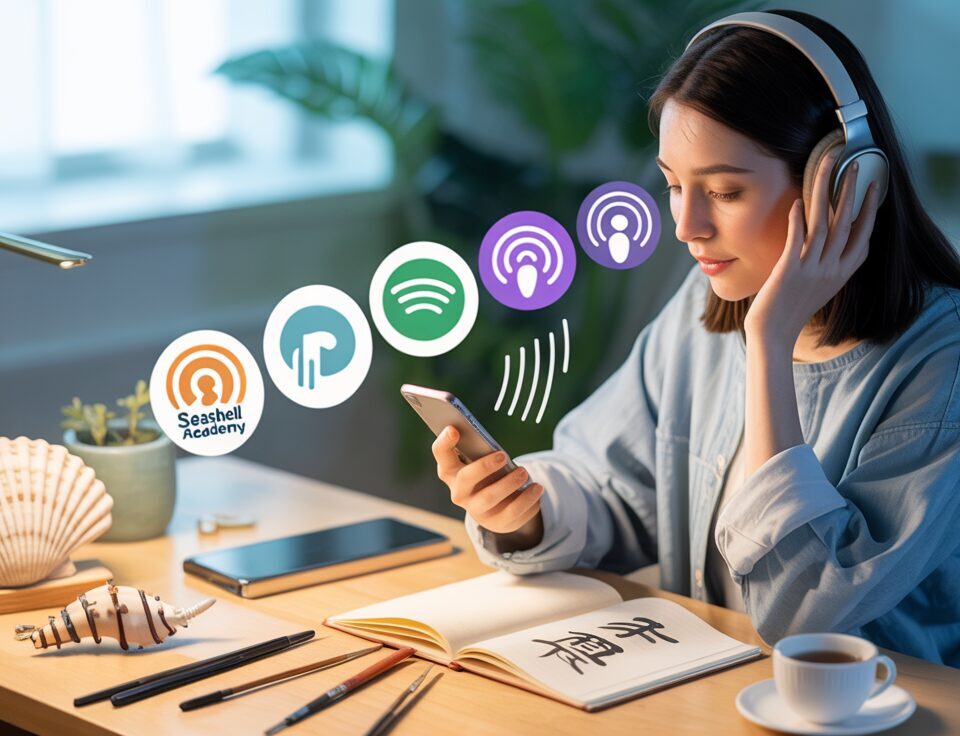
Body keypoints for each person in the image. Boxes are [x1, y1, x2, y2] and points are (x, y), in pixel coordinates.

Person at [431, 10, 960, 667]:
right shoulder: (705, 307)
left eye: (725, 190)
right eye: (677, 186)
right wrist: (524, 513)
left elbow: (801, 613)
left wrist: (768, 345)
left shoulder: (943, 365)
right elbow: (613, 487)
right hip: (710, 700)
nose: (687, 225)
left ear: (846, 188)